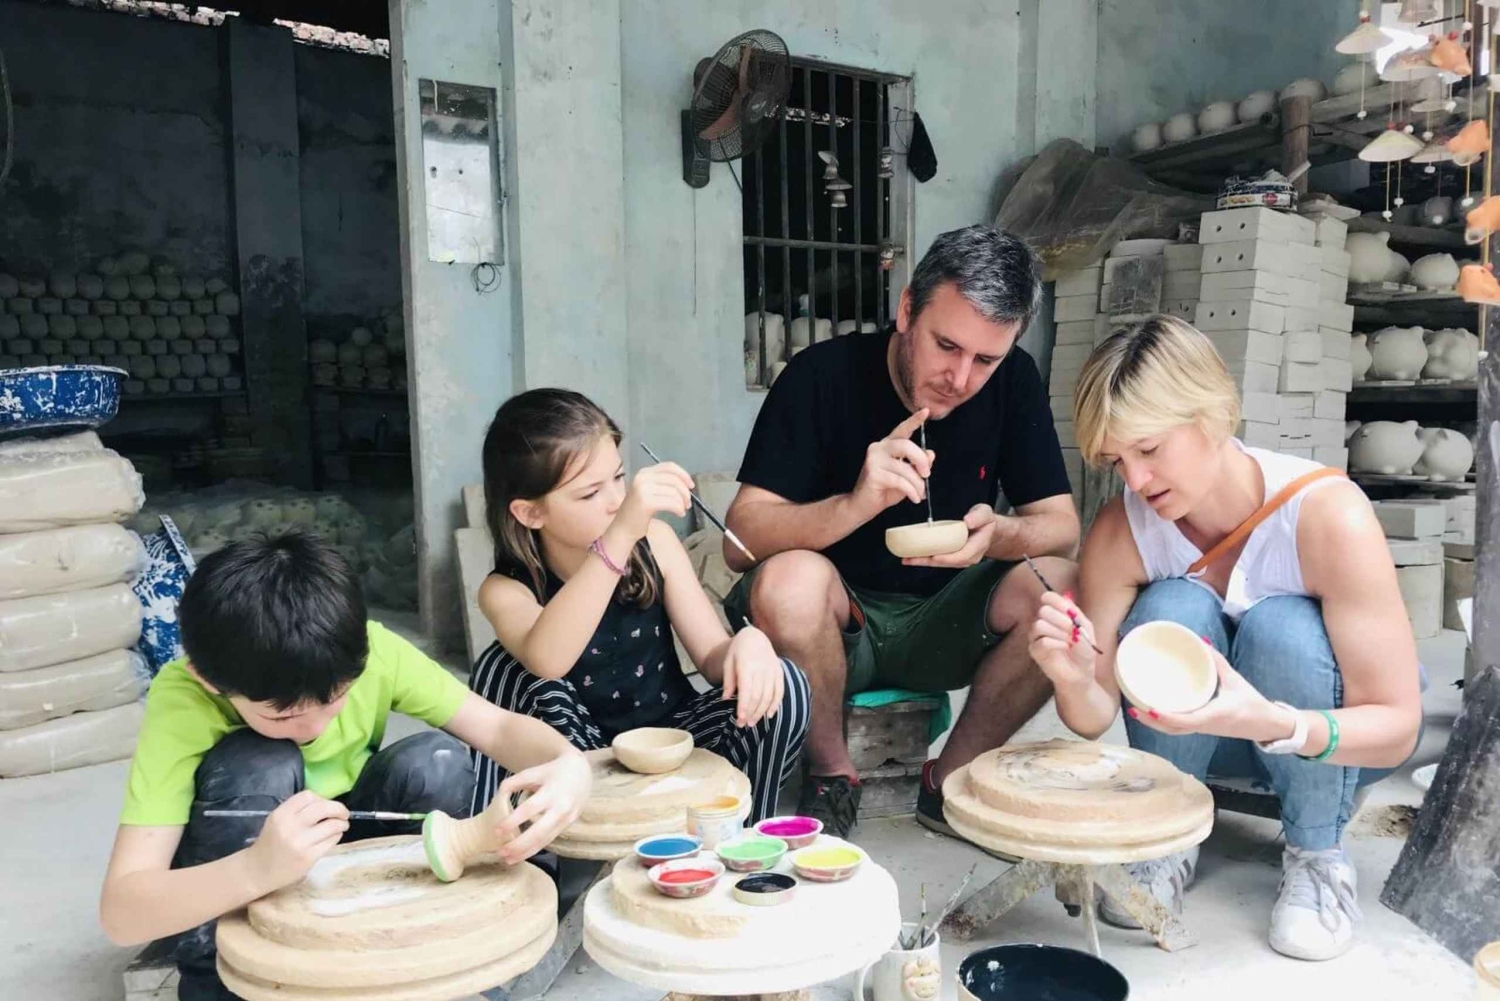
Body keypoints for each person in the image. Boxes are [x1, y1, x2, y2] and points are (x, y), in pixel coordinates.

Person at [1028, 314, 1423, 962]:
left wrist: (1277, 721)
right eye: (1116, 460)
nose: (1135, 480)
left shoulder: (1325, 512)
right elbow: (1095, 715)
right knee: (1170, 606)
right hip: (1199, 745)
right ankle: (1167, 838)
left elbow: (1399, 726)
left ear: (1212, 413)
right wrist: (1072, 673)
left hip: (1321, 739)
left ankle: (1318, 853)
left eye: (1149, 449)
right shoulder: (1120, 530)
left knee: (1281, 624)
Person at [99, 530, 592, 1001]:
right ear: (207, 679)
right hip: (243, 868)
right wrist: (256, 868)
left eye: (336, 699)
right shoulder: (184, 699)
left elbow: (499, 729)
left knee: (433, 761)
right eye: (285, 713)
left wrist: (569, 764)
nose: (313, 725)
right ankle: (226, 984)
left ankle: (423, 962)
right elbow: (122, 911)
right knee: (260, 761)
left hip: (336, 844)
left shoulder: (369, 651)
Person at [721, 224, 1080, 840]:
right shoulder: (820, 376)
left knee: (1064, 590)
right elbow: (738, 542)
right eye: (946, 345)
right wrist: (856, 504)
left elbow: (1062, 528)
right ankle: (831, 777)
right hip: (837, 625)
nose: (960, 377)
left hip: (948, 617)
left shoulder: (1014, 381)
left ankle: (952, 781)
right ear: (906, 308)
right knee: (788, 581)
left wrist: (995, 536)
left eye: (985, 359)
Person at [469, 388, 810, 824]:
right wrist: (619, 537)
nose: (616, 500)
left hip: (673, 736)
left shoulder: (656, 544)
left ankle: (738, 837)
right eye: (590, 493)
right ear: (530, 513)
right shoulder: (506, 589)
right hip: (577, 758)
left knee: (785, 683)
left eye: (619, 477)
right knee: (504, 669)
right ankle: (513, 856)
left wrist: (750, 643)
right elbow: (548, 659)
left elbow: (710, 657)